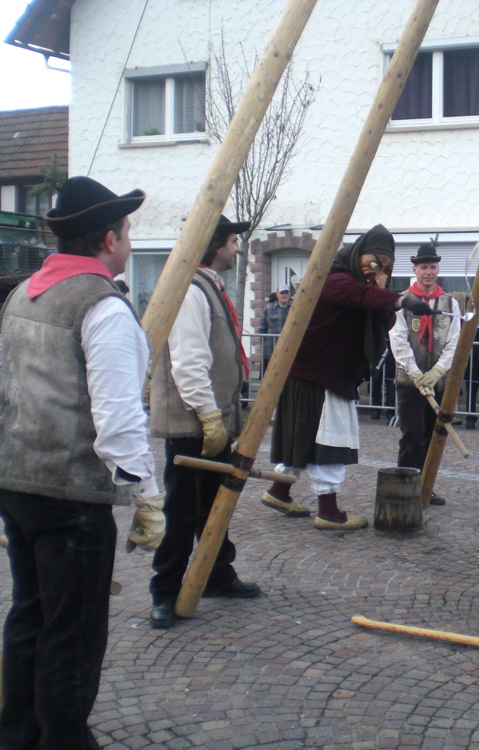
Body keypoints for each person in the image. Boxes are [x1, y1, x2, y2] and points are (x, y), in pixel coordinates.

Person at [0, 176, 165, 748]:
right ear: (108, 239)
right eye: (127, 232)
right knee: (72, 632)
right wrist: (145, 493)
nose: (129, 242)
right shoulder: (102, 305)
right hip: (69, 494)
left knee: (31, 615)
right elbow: (118, 417)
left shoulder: (24, 293)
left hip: (17, 481)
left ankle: (18, 734)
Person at [262, 225, 434, 527]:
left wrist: (389, 300)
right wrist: (400, 300)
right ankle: (329, 512)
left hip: (327, 373)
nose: (378, 270)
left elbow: (377, 313)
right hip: (319, 374)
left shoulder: (362, 287)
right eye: (374, 262)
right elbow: (359, 295)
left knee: (304, 437)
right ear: (359, 255)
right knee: (328, 441)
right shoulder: (332, 277)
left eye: (386, 266)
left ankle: (279, 490)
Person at [148, 214, 261, 629]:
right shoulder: (190, 291)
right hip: (191, 422)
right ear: (215, 245)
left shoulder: (208, 286)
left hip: (211, 419)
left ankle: (216, 574)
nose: (236, 248)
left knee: (215, 504)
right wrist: (209, 415)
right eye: (232, 241)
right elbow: (189, 360)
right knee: (181, 509)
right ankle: (165, 590)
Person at [389, 243, 462, 504]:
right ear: (415, 270)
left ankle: (426, 487)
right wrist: (415, 373)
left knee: (433, 435)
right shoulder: (402, 301)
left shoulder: (450, 302)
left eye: (432, 267)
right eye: (423, 267)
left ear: (438, 269)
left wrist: (438, 370)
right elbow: (398, 340)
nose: (428, 272)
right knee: (412, 435)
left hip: (438, 382)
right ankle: (407, 486)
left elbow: (453, 340)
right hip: (410, 382)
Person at [258, 283, 291, 372]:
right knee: (268, 374)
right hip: (271, 349)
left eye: (286, 293)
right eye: (282, 293)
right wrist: (263, 346)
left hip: (288, 349)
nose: (284, 295)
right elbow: (262, 329)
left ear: (289, 295)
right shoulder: (268, 308)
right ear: (277, 295)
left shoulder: (293, 309)